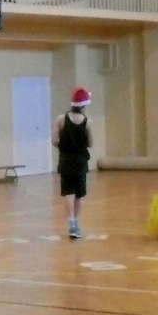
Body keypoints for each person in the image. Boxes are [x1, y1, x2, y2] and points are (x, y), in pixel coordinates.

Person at [54, 86, 92, 239]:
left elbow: (54, 140)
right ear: (84, 105)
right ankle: (76, 221)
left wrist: (64, 146)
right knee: (79, 194)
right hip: (81, 161)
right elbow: (90, 143)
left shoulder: (60, 119)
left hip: (65, 160)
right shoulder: (87, 122)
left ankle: (71, 223)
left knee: (68, 192)